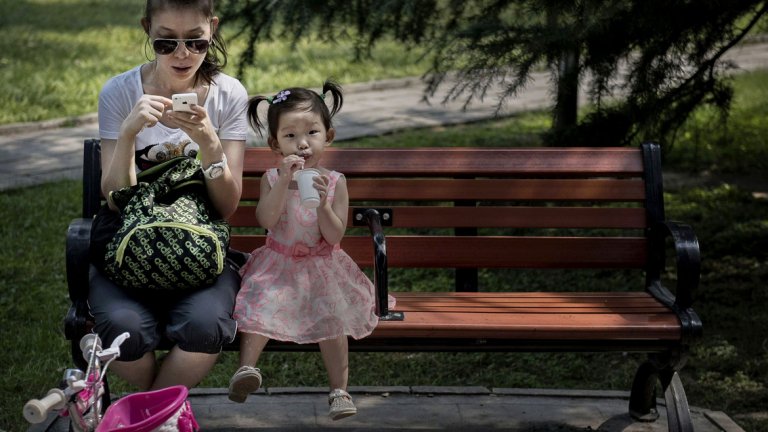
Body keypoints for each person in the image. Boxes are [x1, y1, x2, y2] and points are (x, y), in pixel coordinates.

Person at [89, 0, 248, 391]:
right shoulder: (120, 91)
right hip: (127, 247)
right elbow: (114, 198)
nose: (182, 54)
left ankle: (151, 416)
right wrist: (128, 133)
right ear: (147, 30)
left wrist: (209, 142)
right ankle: (163, 416)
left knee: (205, 327)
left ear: (212, 28)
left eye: (196, 42)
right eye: (166, 43)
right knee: (124, 332)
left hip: (201, 250)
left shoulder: (228, 95)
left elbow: (226, 206)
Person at [228, 80, 393, 420]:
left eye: (312, 133)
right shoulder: (271, 178)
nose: (302, 144)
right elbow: (267, 220)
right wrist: (282, 183)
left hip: (321, 265)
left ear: (327, 136)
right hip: (278, 263)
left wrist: (321, 206)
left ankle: (340, 390)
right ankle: (246, 371)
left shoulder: (336, 182)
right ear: (275, 143)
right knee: (258, 303)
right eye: (290, 136)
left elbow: (334, 237)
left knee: (333, 316)